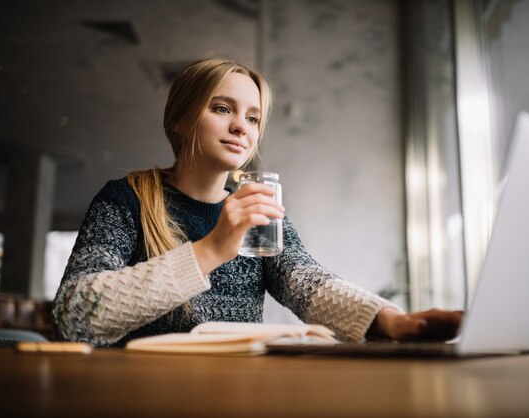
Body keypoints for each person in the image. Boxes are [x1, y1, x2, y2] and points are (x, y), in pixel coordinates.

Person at [52, 58, 462, 347]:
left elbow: (308, 284)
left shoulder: (255, 209)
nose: (240, 127)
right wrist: (212, 249)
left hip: (239, 389)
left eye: (252, 118)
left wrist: (394, 321)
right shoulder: (126, 200)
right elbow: (74, 316)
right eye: (221, 108)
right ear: (178, 119)